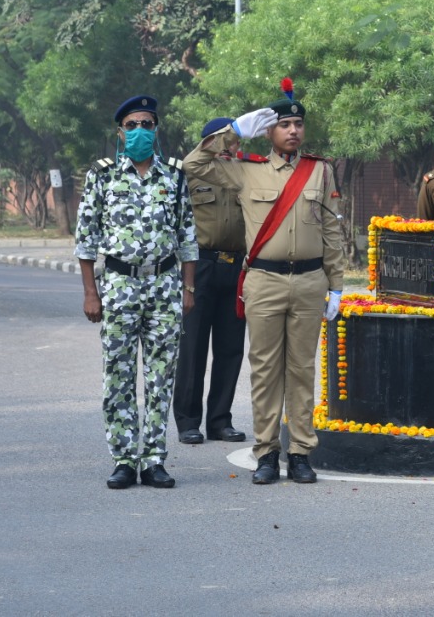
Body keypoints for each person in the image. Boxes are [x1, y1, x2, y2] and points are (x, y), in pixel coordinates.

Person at [183, 83, 347, 486]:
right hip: (264, 282)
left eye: (298, 124)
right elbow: (193, 165)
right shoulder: (246, 169)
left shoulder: (320, 171)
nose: (293, 131)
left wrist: (337, 284)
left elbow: (330, 229)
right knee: (265, 370)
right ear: (269, 132)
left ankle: (301, 452)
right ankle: (267, 452)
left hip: (309, 281)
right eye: (284, 124)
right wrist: (234, 131)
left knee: (302, 370)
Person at [75, 95, 197, 490]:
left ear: (156, 130)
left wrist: (188, 288)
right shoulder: (103, 175)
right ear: (120, 132)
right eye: (132, 125)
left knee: (161, 377)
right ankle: (125, 459)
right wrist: (90, 293)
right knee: (119, 375)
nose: (140, 131)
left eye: (147, 124)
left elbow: (188, 237)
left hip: (164, 286)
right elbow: (86, 239)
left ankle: (155, 459)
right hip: (119, 286)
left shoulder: (174, 176)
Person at [173, 118, 249, 446]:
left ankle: (220, 420)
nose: (232, 147)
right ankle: (189, 421)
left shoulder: (243, 174)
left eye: (233, 141)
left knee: (230, 349)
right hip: (199, 267)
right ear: (210, 142)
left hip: (237, 268)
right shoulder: (189, 172)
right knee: (193, 348)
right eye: (224, 141)